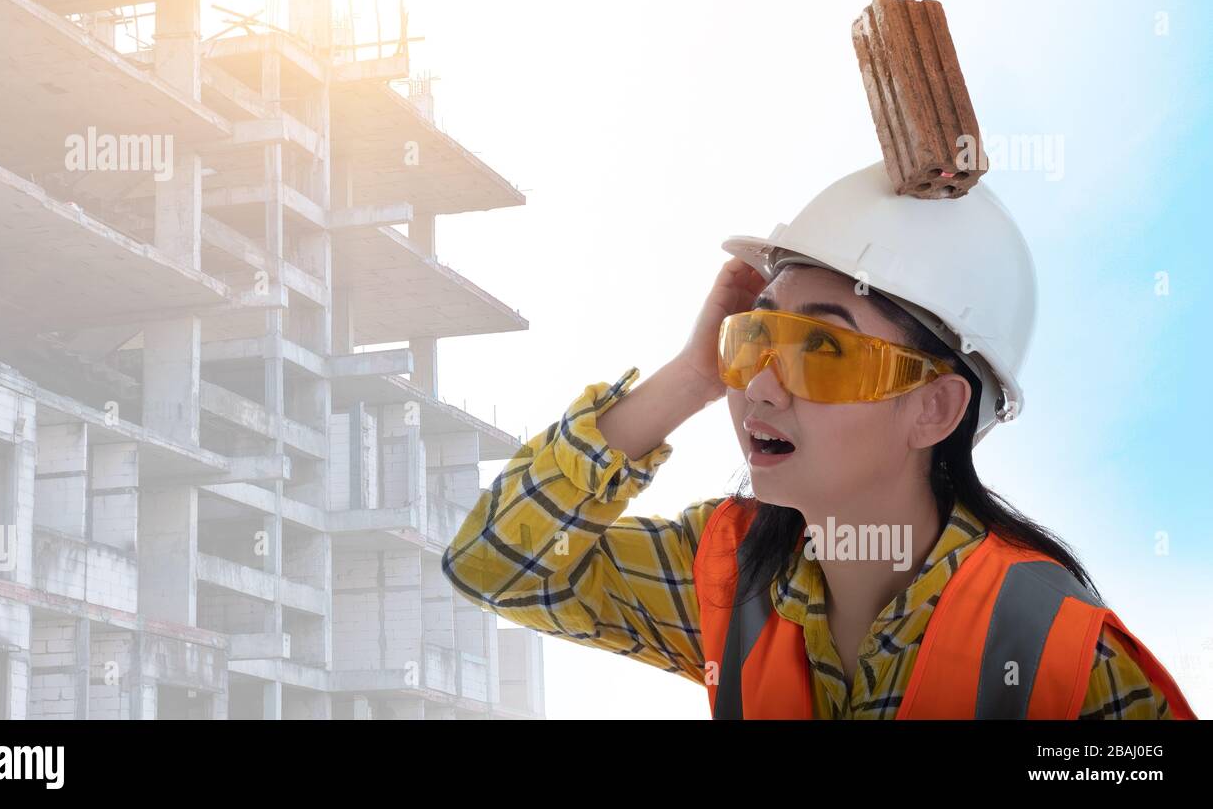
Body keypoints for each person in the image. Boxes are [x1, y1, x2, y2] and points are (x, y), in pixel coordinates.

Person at [442, 161, 1196, 719]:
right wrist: (690, 379)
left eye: (822, 351)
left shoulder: (1062, 659)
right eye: (756, 337)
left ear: (933, 410)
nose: (762, 389)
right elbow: (498, 565)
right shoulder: (729, 580)